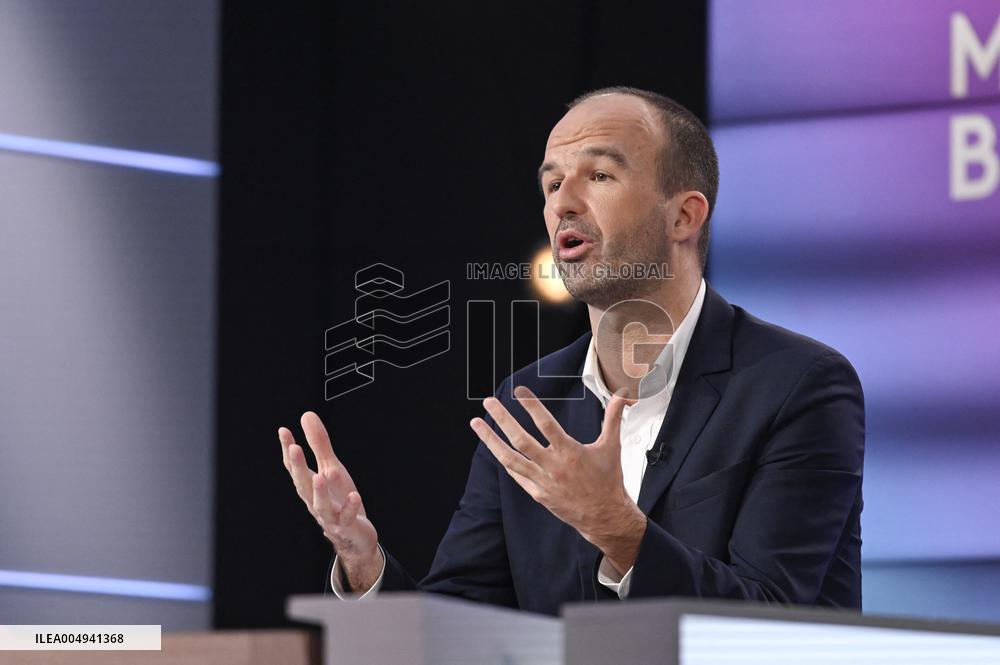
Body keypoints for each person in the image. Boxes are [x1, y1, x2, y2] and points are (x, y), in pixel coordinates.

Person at [277, 86, 865, 616]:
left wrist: (616, 528)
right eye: (553, 183)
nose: (563, 203)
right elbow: (461, 624)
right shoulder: (529, 402)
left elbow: (772, 621)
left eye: (600, 176)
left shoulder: (797, 384)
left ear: (684, 216)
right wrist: (364, 564)